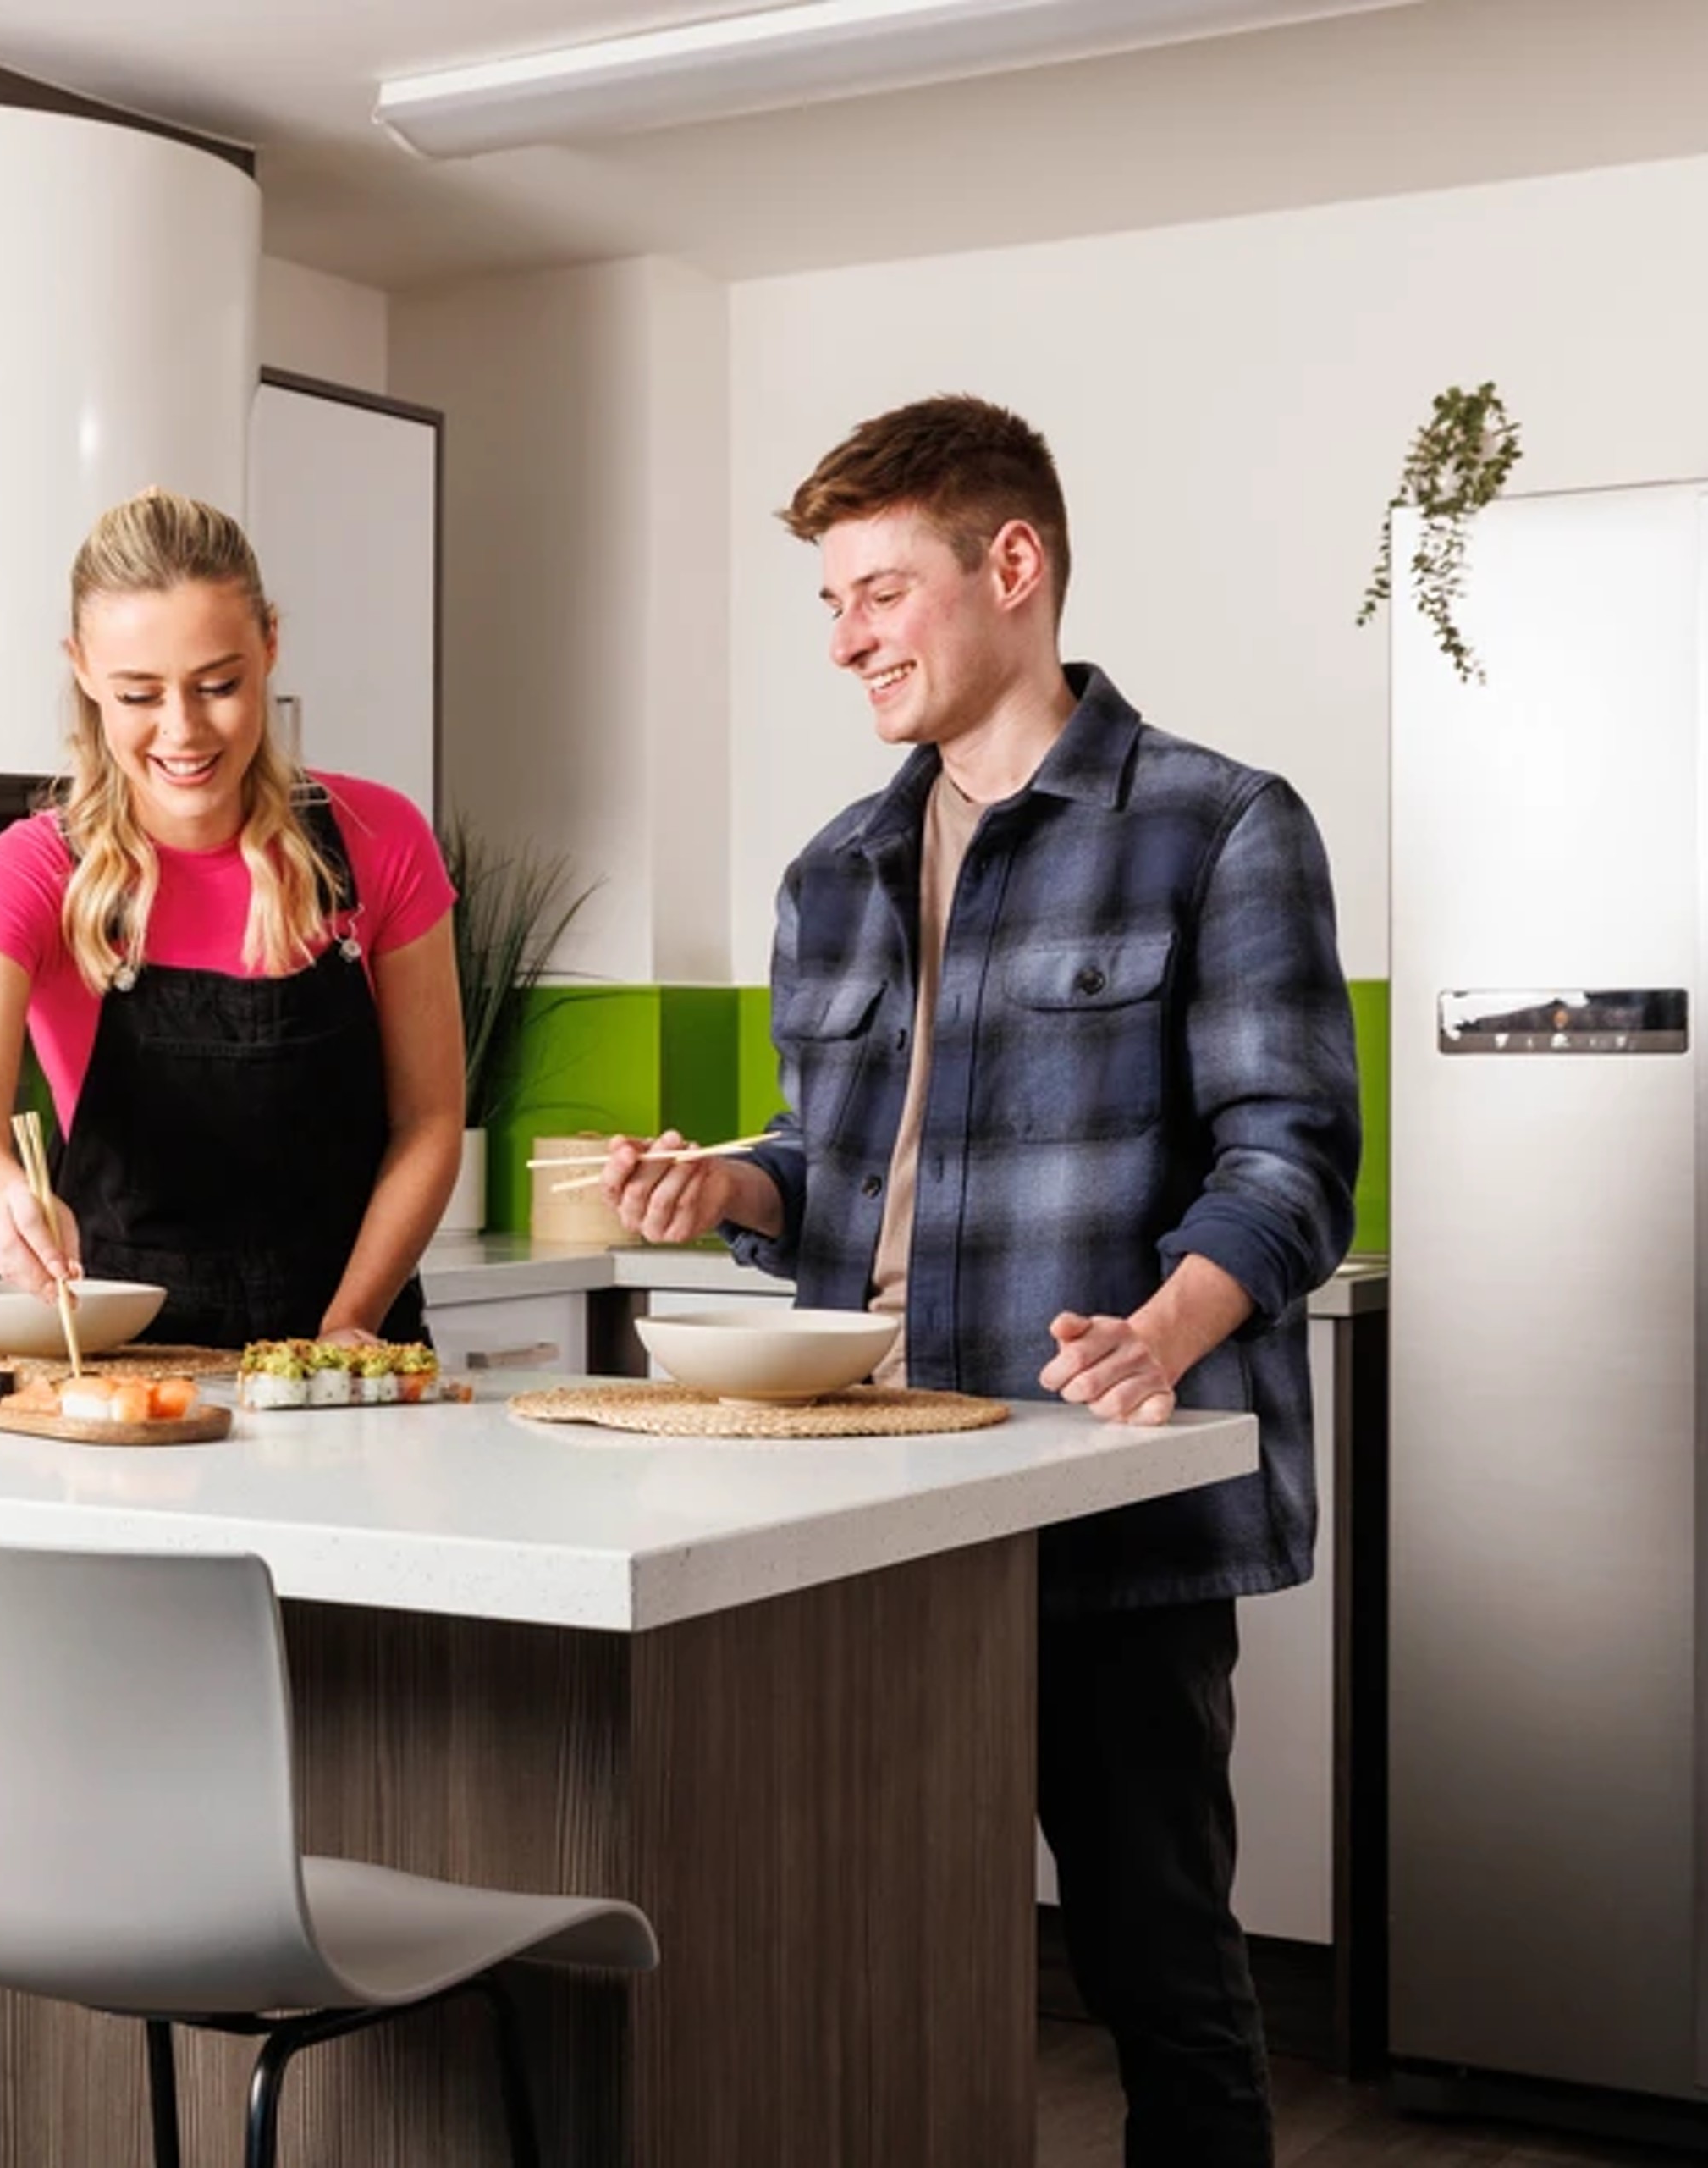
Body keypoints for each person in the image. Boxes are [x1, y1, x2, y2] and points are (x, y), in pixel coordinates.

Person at [601, 397, 1358, 2166]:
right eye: (832, 603)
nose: (847, 638)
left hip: (1100, 1499)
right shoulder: (833, 871)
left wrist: (1167, 1323)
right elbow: (833, 1164)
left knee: (1156, 1961)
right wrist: (728, 1183)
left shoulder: (1221, 827)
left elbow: (1291, 1160)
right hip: (860, 1498)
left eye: (879, 590)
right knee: (858, 1947)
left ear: (1012, 565)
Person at [0, 487, 464, 1349]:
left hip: (353, 1357)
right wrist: (4, 1199)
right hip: (123, 1364)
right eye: (139, 695)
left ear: (271, 644)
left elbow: (429, 1121)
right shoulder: (23, 876)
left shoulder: (381, 840)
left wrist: (347, 1324)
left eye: (219, 685)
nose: (182, 730)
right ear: (82, 668)